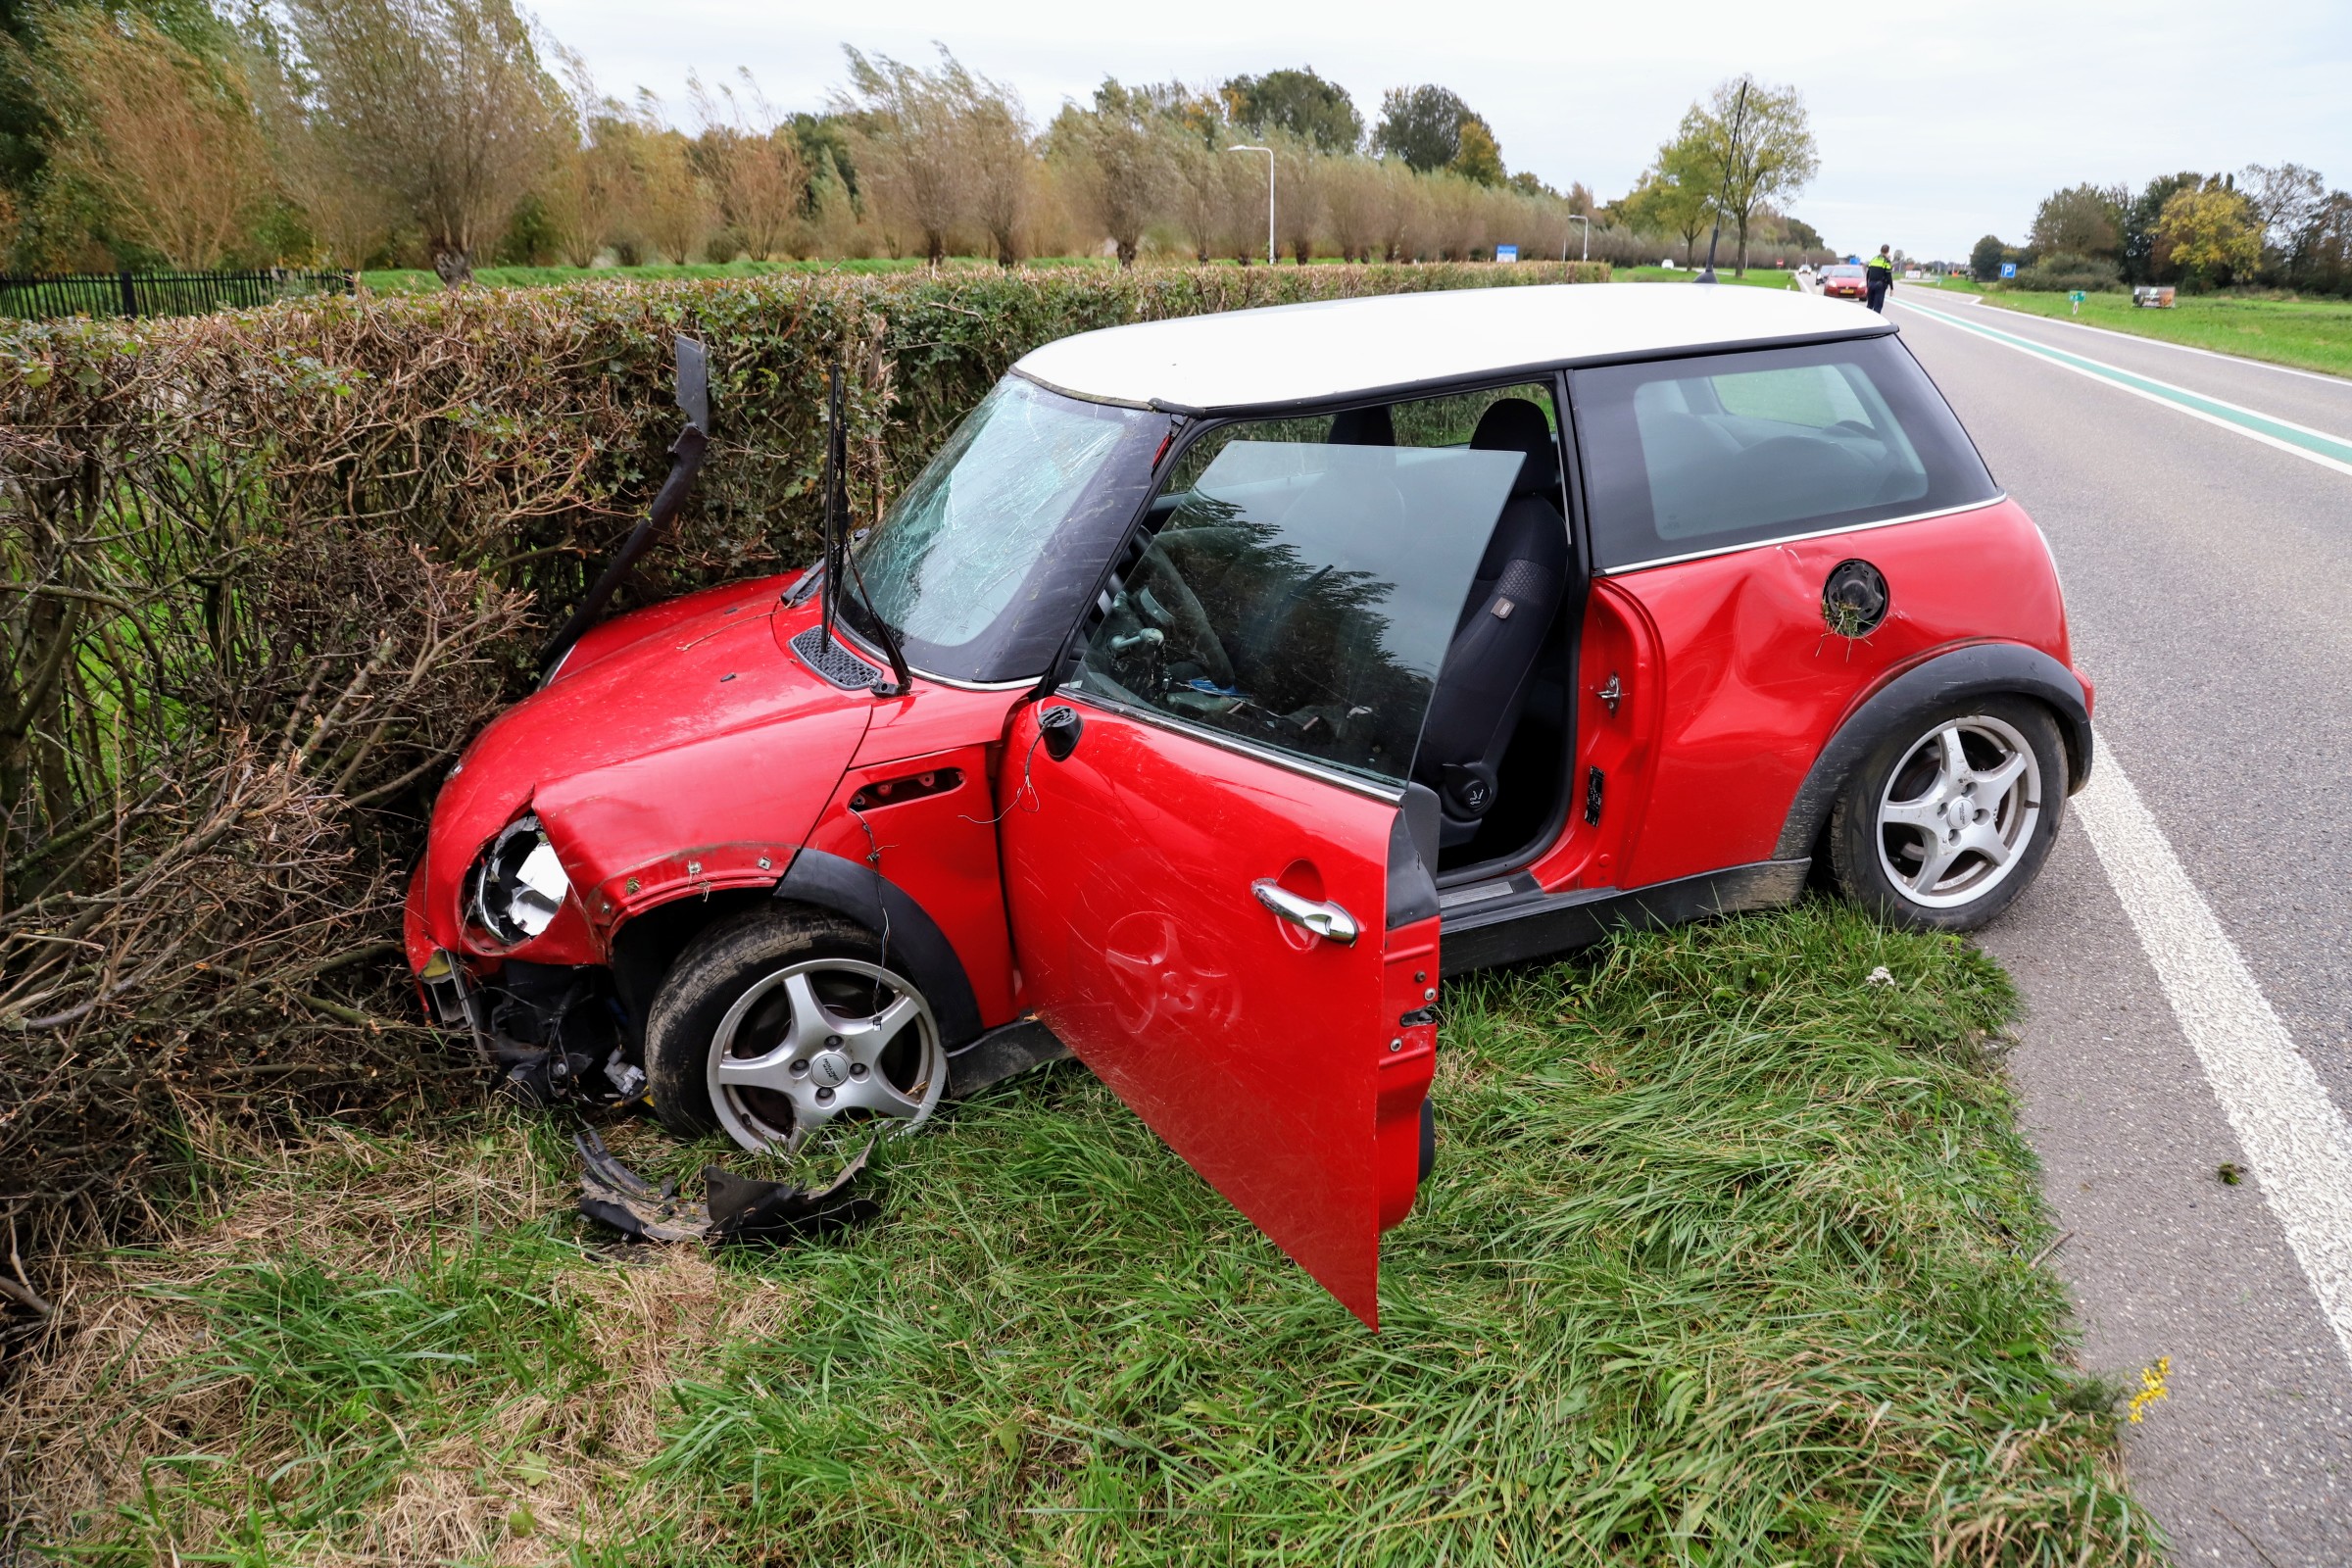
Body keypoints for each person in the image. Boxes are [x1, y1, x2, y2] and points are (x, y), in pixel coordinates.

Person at [1865, 245, 1895, 313]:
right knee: (1877, 307)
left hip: (1871, 284)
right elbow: (1889, 275)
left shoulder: (1873, 259)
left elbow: (1868, 273)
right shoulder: (1886, 261)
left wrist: (1867, 285)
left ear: (1880, 250)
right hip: (1880, 285)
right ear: (1888, 251)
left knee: (1869, 306)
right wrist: (1892, 288)